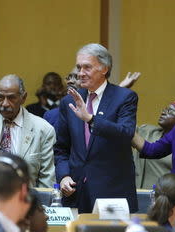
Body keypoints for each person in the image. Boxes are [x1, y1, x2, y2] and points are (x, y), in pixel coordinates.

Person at [55, 43, 138, 213]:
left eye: (87, 67)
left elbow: (125, 133)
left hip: (112, 192)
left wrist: (91, 119)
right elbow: (61, 149)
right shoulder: (69, 101)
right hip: (75, 192)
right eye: (79, 67)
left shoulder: (124, 97)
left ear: (104, 69)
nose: (80, 73)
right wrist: (64, 176)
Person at [0, 74, 56, 188]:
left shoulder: (43, 129)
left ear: (23, 97)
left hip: (22, 197)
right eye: (0, 97)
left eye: (11, 98)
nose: (5, 103)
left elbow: (47, 180)